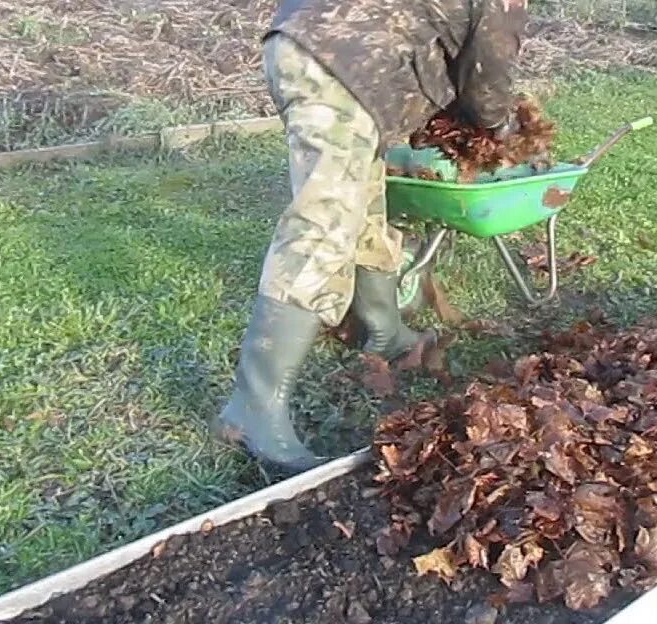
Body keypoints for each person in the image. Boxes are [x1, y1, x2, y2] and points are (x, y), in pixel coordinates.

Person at [211, 0, 530, 474]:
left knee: (363, 201)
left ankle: (382, 330)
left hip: (309, 44)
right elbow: (488, 72)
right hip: (342, 65)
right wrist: (498, 124)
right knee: (323, 223)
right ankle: (252, 408)